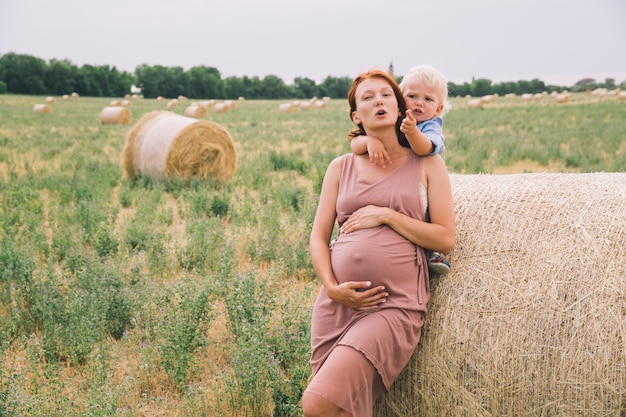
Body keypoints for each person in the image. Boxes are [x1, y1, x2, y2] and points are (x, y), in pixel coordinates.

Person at [301, 69, 455, 417]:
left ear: (400, 108)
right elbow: (317, 237)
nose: (378, 101)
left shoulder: (428, 163)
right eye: (367, 98)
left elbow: (445, 238)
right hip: (336, 304)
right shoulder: (341, 167)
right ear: (357, 115)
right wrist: (331, 286)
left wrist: (386, 215)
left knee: (317, 404)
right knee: (340, 409)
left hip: (392, 305)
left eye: (386, 94)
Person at [348, 65, 452, 276]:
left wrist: (412, 132)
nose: (419, 103)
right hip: (395, 174)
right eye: (412, 96)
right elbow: (354, 143)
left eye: (428, 100)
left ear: (439, 109)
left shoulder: (430, 127)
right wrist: (369, 141)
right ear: (400, 101)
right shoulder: (393, 121)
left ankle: (429, 253)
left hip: (418, 179)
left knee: (421, 211)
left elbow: (424, 149)